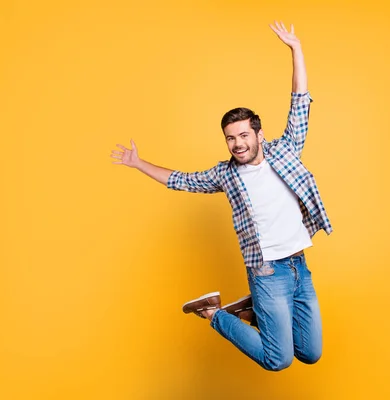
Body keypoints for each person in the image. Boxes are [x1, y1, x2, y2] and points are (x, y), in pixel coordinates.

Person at [110, 21, 332, 371]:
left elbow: (300, 103)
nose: (238, 143)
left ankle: (250, 311)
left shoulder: (286, 150)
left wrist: (296, 49)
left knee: (310, 352)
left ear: (259, 134)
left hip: (298, 267)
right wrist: (139, 163)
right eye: (231, 138)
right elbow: (180, 180)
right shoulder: (225, 174)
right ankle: (214, 314)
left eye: (244, 135)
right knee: (278, 360)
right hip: (266, 272)